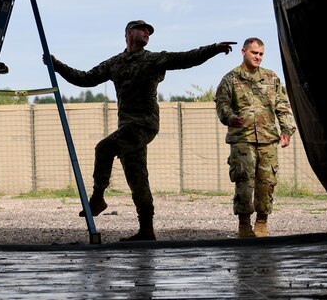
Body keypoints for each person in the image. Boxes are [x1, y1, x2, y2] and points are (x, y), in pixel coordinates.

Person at [45, 20, 236, 241]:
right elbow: (86, 79)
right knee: (138, 179)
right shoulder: (116, 63)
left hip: (144, 125)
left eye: (149, 32)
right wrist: (56, 65)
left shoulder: (153, 59)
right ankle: (147, 230)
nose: (147, 33)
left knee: (104, 148)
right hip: (126, 128)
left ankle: (98, 197)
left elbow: (185, 59)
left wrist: (213, 49)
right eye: (142, 29)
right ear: (128, 33)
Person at [215, 37, 297, 238]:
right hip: (242, 139)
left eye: (261, 54)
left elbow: (282, 106)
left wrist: (287, 131)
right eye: (254, 53)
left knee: (266, 182)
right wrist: (229, 117)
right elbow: (222, 103)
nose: (258, 57)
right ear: (244, 52)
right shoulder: (231, 78)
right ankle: (244, 225)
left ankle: (261, 223)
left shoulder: (272, 78)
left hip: (268, 139)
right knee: (244, 181)